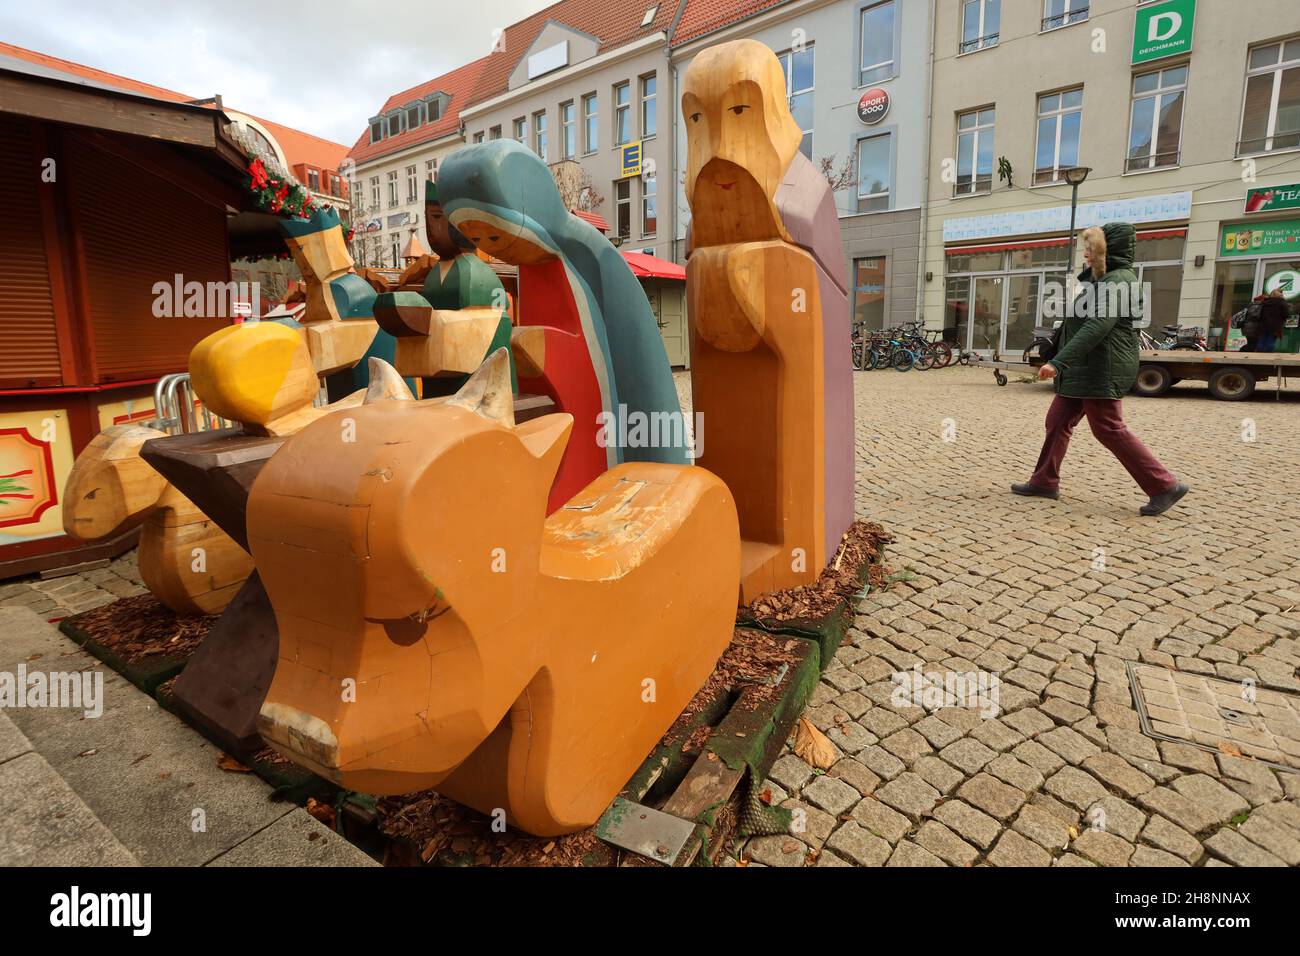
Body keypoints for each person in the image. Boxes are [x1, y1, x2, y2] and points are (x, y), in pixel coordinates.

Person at [1012, 222, 1189, 516]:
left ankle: (1164, 485)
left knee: (1108, 428)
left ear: (1109, 250)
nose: (1086, 254)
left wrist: (1058, 362)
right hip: (1084, 368)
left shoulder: (1118, 281)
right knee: (1057, 422)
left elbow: (1097, 326)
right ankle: (1044, 481)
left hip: (1101, 367)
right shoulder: (1103, 279)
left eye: (1091, 249)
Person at [1258, 288, 1289, 353]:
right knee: (1271, 341)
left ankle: (1259, 356)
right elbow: (1286, 314)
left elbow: (1260, 314)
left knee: (1262, 340)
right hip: (1275, 326)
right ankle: (1268, 357)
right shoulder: (1282, 302)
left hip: (1263, 325)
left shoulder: (1265, 302)